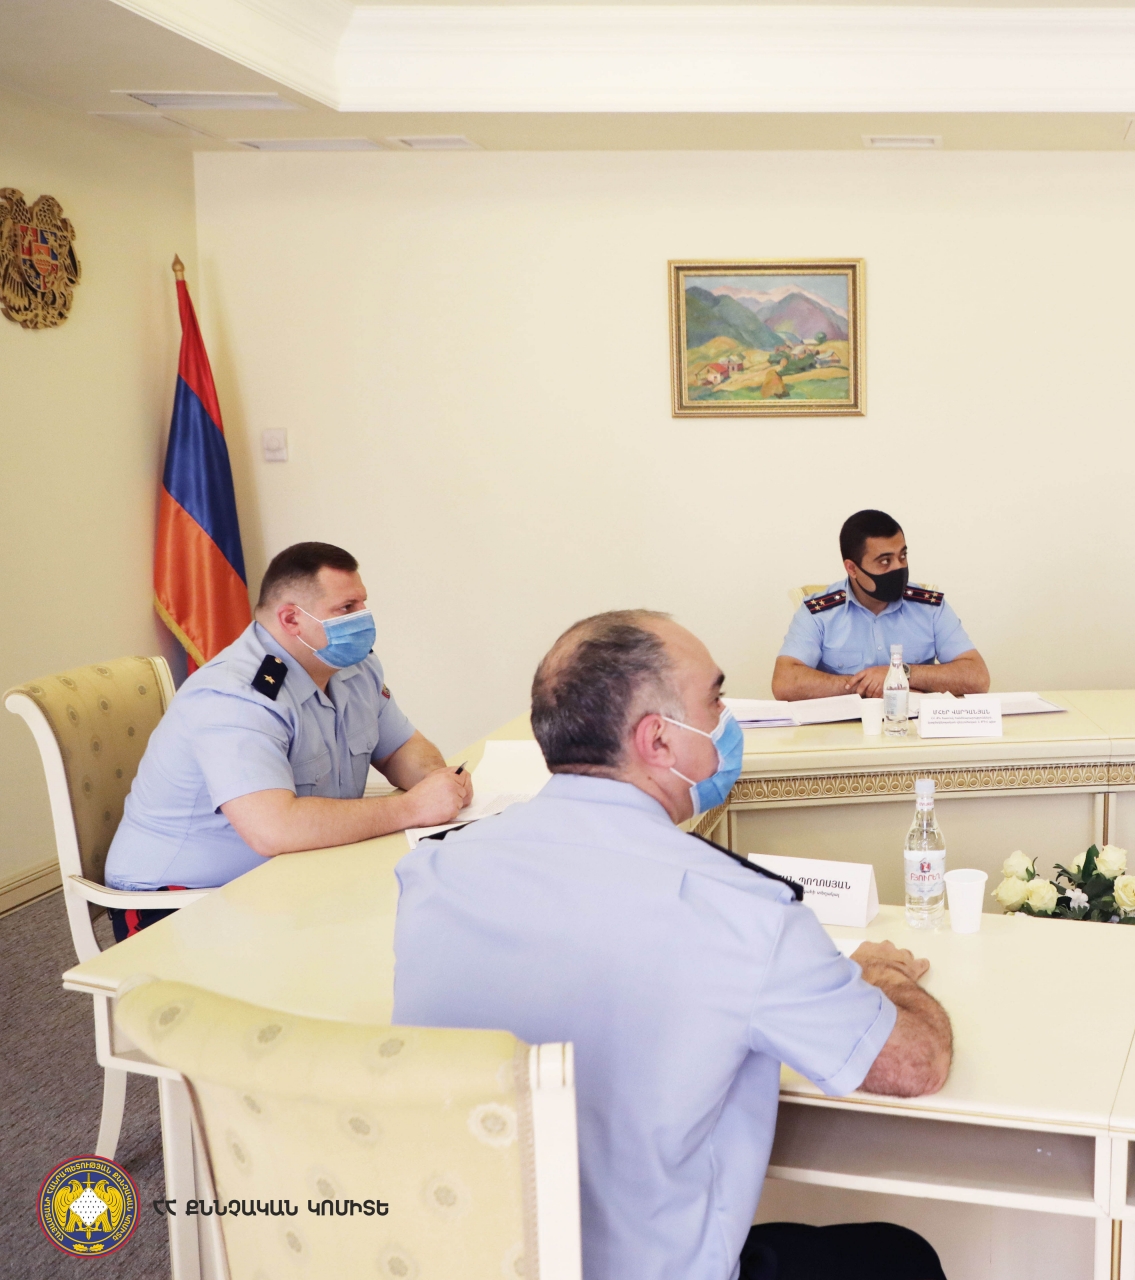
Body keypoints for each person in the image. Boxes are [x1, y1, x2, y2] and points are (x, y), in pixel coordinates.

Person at [393, 610, 953, 1280]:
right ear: (657, 739)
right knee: (902, 1257)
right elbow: (915, 1066)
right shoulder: (742, 911)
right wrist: (885, 978)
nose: (727, 720)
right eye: (716, 700)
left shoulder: (435, 871)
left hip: (477, 1260)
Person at [103, 542, 468, 937]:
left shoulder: (352, 666)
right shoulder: (235, 695)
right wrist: (413, 808)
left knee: (435, 912)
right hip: (180, 900)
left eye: (363, 603)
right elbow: (273, 828)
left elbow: (400, 748)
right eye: (347, 608)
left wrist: (438, 783)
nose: (363, 618)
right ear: (292, 619)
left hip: (290, 875)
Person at [773, 508, 988, 699]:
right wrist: (868, 687)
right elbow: (785, 682)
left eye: (902, 556)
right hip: (843, 728)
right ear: (852, 568)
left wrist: (901, 673)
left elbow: (977, 677)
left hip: (911, 727)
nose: (898, 567)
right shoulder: (818, 612)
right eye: (885, 561)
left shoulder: (930, 607)